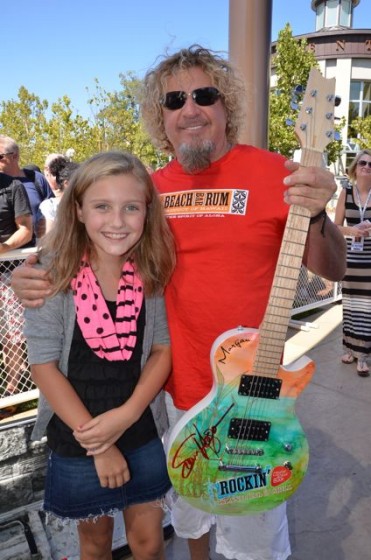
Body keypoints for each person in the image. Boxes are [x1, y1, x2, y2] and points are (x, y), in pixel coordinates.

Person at [12, 45, 347, 560]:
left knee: (253, 528)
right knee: (190, 515)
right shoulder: (148, 190)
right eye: (174, 101)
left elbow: (332, 269)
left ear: (226, 106)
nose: (190, 109)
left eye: (205, 95)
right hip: (167, 396)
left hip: (251, 392)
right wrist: (30, 278)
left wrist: (318, 214)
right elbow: (91, 251)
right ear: (160, 118)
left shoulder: (277, 174)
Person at [22, 151, 175, 560]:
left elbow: (161, 349)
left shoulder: (151, 270)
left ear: (147, 211)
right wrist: (100, 445)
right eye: (102, 207)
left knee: (149, 541)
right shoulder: (51, 273)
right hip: (79, 434)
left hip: (139, 426)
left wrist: (126, 416)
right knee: (95, 543)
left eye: (131, 208)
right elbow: (43, 365)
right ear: (78, 210)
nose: (117, 221)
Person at [334, 149, 371, 377]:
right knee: (351, 305)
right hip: (351, 258)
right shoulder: (346, 193)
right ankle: (349, 347)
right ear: (355, 167)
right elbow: (334, 226)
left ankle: (364, 355)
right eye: (363, 163)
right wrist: (352, 230)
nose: (367, 167)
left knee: (367, 309)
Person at [0, 172, 33, 396]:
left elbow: (26, 229)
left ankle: (14, 388)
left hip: (9, 272)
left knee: (13, 334)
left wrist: (3, 247)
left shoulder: (12, 186)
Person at [0, 136, 54, 242]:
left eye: (0, 157)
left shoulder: (36, 178)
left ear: (14, 156)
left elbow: (53, 211)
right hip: (6, 254)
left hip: (34, 249)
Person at [39, 158, 79, 234]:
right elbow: (48, 238)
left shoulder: (83, 205)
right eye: (79, 181)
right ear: (66, 184)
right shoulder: (50, 207)